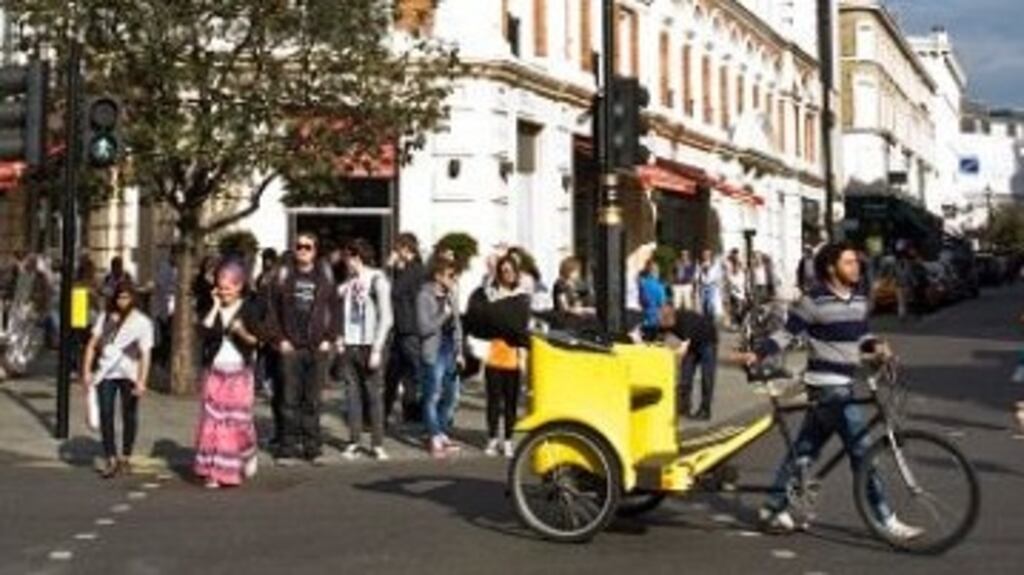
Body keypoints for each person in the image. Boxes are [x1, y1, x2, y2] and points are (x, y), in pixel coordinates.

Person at [741, 242, 923, 540]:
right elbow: (787, 333)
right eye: (849, 262)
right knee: (863, 452)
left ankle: (773, 507)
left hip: (845, 384)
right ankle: (885, 519)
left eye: (856, 262)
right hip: (827, 387)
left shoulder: (858, 300)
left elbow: (861, 337)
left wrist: (878, 348)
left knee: (805, 450)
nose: (856, 267)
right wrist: (758, 353)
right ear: (831, 268)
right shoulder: (813, 302)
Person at [266, 233, 338, 466]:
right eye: (299, 246)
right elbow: (272, 310)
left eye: (308, 247)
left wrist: (329, 337)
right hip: (291, 347)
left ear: (315, 251)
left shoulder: (324, 276)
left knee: (313, 400)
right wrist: (280, 339)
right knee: (288, 399)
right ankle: (287, 448)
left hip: (317, 346)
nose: (303, 250)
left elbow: (336, 309)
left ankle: (312, 448)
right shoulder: (284, 276)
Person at [194, 261, 262, 489]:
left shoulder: (249, 309)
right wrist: (214, 305)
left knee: (237, 424)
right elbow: (203, 331)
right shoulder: (212, 307)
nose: (224, 292)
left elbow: (258, 341)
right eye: (220, 287)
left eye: (228, 287)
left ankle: (249, 451)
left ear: (239, 286)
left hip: (239, 375)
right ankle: (217, 472)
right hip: (215, 373)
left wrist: (242, 332)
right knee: (213, 424)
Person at [80, 280, 154, 479]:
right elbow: (91, 344)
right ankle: (110, 457)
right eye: (119, 297)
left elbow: (145, 354)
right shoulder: (105, 318)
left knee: (129, 415)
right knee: (106, 413)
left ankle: (126, 456)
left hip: (129, 373)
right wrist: (86, 371)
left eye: (126, 297)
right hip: (106, 373)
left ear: (133, 299)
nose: (122, 301)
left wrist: (142, 381)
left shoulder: (142, 322)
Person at [336, 239, 394, 461]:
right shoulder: (349, 282)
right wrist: (340, 338)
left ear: (356, 257)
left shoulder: (378, 279)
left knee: (374, 395)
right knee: (352, 395)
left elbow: (387, 316)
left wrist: (378, 348)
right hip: (350, 344)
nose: (345, 262)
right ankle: (354, 441)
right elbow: (336, 304)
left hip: (370, 344)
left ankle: (377, 443)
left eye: (347, 257)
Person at [418, 256, 464, 458]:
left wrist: (460, 351)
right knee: (432, 395)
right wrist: (442, 315)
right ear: (438, 276)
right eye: (450, 276)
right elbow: (423, 328)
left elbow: (457, 325)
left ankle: (442, 432)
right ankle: (434, 435)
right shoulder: (424, 296)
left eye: (455, 276)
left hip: (450, 351)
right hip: (433, 350)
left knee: (451, 396)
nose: (454, 279)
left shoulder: (451, 295)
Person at [483, 256, 527, 458]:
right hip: (494, 354)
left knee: (511, 402)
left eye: (510, 271)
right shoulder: (492, 293)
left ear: (516, 273)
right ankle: (492, 438)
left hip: (512, 356)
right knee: (493, 401)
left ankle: (508, 440)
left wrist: (523, 357)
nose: (506, 274)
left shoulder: (521, 296)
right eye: (503, 271)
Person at [385, 233, 426, 424]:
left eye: (397, 249)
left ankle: (419, 412)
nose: (394, 253)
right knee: (400, 372)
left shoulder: (415, 270)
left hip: (409, 328)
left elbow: (395, 291)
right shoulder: (413, 269)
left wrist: (390, 268)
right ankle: (409, 413)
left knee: (414, 372)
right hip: (404, 328)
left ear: (405, 249)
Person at [660, 306, 719, 420]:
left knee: (707, 377)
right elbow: (658, 334)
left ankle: (705, 410)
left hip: (707, 340)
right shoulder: (667, 321)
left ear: (673, 318)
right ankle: (684, 407)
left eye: (669, 325)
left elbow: (683, 348)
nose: (668, 328)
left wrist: (673, 354)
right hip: (693, 344)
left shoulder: (685, 321)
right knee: (685, 376)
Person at [638, 259, 666, 341]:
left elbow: (641, 301)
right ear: (655, 272)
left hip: (644, 320)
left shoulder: (642, 284)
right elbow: (661, 303)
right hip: (655, 322)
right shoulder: (660, 286)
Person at [696, 249, 723, 322]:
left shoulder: (714, 264)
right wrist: (701, 270)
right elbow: (697, 275)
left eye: (707, 254)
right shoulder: (700, 264)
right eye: (704, 254)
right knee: (704, 304)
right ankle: (705, 320)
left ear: (710, 256)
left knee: (711, 304)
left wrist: (717, 282)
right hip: (703, 286)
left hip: (712, 285)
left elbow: (719, 275)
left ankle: (711, 319)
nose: (706, 256)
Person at [724, 249, 747, 329]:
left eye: (737, 254)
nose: (736, 256)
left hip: (741, 288)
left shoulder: (741, 263)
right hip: (733, 288)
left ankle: (740, 322)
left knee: (741, 307)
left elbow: (744, 273)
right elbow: (728, 276)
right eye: (734, 254)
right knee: (735, 307)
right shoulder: (729, 263)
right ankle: (735, 323)